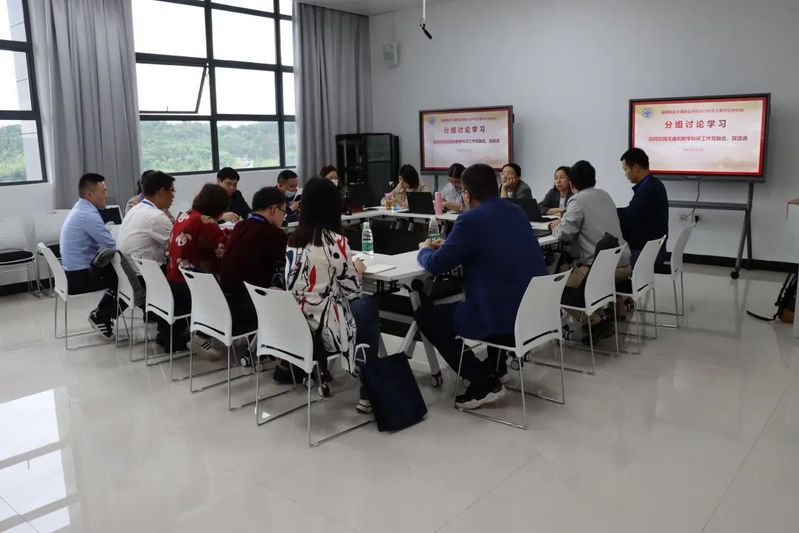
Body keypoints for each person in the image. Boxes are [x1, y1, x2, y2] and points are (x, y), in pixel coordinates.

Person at [416, 163, 547, 410]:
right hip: (532, 313)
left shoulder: (470, 218)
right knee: (496, 291)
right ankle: (497, 368)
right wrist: (452, 244)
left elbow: (437, 265)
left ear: (466, 195)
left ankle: (484, 382)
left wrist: (424, 250)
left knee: (428, 316)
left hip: (501, 314)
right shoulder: (516, 211)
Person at [285, 177, 381, 409]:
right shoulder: (336, 242)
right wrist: (357, 269)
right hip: (327, 329)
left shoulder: (293, 242)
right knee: (366, 306)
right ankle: (369, 391)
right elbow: (353, 291)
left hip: (297, 325)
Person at [548, 160, 631, 343]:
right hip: (623, 264)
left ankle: (596, 322)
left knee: (554, 289)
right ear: (594, 180)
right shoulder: (605, 195)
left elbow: (564, 234)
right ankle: (596, 316)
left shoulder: (577, 200)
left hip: (601, 270)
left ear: (571, 184)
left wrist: (555, 226)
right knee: (576, 272)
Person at [116, 171, 183, 348]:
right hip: (146, 278)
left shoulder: (136, 209)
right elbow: (179, 244)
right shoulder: (156, 216)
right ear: (161, 191)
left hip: (133, 274)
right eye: (172, 191)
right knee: (186, 285)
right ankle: (173, 336)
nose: (173, 196)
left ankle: (166, 332)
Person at [166, 183, 230, 359]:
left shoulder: (186, 215)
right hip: (190, 283)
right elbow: (224, 249)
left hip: (174, 277)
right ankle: (202, 337)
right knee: (231, 291)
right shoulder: (206, 221)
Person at [220, 186, 288, 347]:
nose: (283, 217)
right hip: (250, 305)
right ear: (273, 209)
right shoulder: (273, 234)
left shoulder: (240, 226)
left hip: (225, 302)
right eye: (283, 212)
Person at [59, 173, 121, 338]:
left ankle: (101, 314)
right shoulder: (87, 215)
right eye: (103, 192)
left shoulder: (80, 208)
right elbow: (112, 245)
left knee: (122, 274)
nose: (107, 195)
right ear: (90, 195)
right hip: (80, 277)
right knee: (128, 279)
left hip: (73, 272)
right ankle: (101, 316)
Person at [617, 148, 669, 265]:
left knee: (609, 260)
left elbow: (629, 218)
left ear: (636, 168)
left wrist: (610, 213)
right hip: (655, 249)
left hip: (646, 253)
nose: (625, 174)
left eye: (626, 169)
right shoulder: (654, 184)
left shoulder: (648, 189)